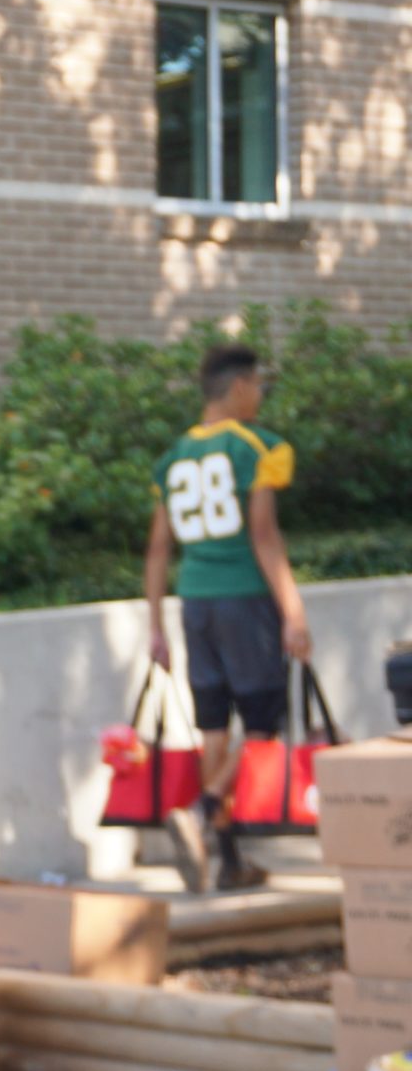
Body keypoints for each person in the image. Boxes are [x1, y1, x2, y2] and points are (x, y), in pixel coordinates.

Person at [145, 341, 312, 890]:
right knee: (262, 724)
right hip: (245, 600)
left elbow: (157, 551)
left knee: (213, 725)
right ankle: (202, 808)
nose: (260, 394)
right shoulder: (258, 447)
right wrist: (293, 611)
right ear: (239, 386)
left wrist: (155, 626)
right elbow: (264, 537)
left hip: (196, 603)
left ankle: (228, 862)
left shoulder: (171, 458)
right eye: (258, 384)